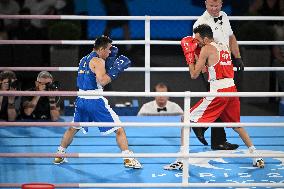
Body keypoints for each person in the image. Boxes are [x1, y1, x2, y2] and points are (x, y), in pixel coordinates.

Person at [164, 24, 264, 170]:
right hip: (232, 89)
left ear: (205, 39)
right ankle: (256, 156)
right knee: (236, 125)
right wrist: (199, 57)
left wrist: (190, 57)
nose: (195, 43)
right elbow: (208, 69)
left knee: (184, 118)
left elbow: (194, 74)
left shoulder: (206, 48)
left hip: (219, 92)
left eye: (197, 40)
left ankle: (180, 160)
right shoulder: (223, 46)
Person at [53, 36, 142, 169]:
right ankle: (128, 158)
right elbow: (102, 81)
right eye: (109, 49)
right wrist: (116, 69)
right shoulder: (98, 61)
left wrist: (109, 63)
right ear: (101, 49)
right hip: (95, 101)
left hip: (81, 100)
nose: (110, 52)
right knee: (119, 129)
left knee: (73, 128)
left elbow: (90, 76)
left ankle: (59, 154)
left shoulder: (84, 59)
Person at [190, 0, 244, 150]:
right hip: (212, 68)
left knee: (224, 100)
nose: (214, 9)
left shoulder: (224, 16)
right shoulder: (200, 23)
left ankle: (210, 133)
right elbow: (196, 49)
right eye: (211, 6)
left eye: (217, 6)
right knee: (218, 101)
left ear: (221, 4)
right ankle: (211, 134)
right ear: (205, 4)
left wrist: (237, 56)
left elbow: (231, 37)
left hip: (226, 64)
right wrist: (202, 70)